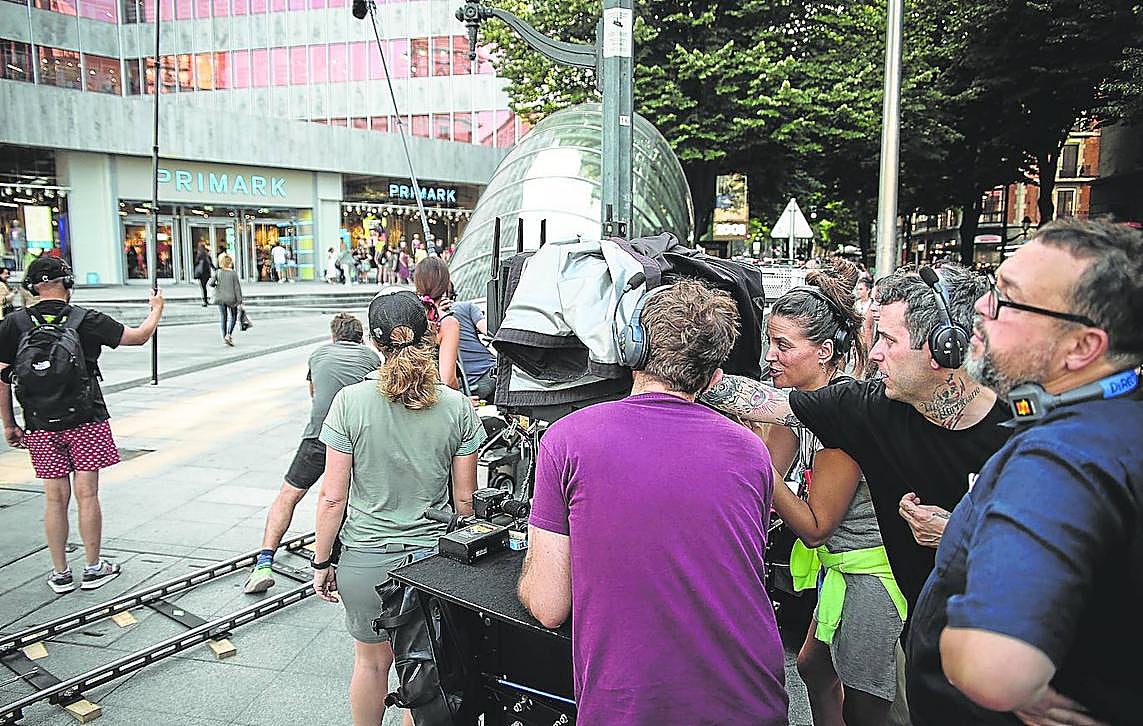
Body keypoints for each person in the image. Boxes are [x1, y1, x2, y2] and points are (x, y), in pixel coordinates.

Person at [701, 262, 1012, 720]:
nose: (874, 353)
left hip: (1008, 644)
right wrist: (684, 368)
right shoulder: (870, 407)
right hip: (928, 631)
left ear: (944, 348)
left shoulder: (1023, 426)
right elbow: (770, 402)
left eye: (888, 339)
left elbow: (1077, 551)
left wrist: (957, 532)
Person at [518, 279, 788, 725]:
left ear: (631, 349)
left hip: (633, 706)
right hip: (751, 702)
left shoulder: (567, 440)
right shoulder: (751, 451)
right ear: (714, 378)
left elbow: (549, 607)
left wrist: (529, 575)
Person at [907, 219, 1143, 726]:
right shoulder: (1117, 423)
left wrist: (1007, 684)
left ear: (1082, 347)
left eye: (1008, 300)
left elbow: (995, 670)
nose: (981, 307)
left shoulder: (1062, 455)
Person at [310, 290, 485, 726]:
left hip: (365, 560)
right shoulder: (456, 406)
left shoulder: (349, 402)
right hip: (430, 566)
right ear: (429, 336)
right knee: (423, 670)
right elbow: (466, 501)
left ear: (374, 341)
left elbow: (332, 497)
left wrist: (322, 561)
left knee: (370, 665)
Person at [763, 268, 905, 726]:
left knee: (866, 705)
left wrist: (751, 460)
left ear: (824, 352)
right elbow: (769, 472)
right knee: (813, 667)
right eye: (770, 342)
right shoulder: (796, 405)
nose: (770, 356)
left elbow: (815, 527)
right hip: (839, 568)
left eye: (783, 345)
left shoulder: (841, 418)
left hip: (872, 575)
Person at [0, 256, 164, 593]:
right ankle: (93, 567)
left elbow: (2, 378)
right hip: (86, 420)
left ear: (33, 287)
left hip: (39, 423)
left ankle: (60, 573)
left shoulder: (14, 323)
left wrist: (9, 423)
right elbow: (138, 337)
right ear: (68, 283)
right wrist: (156, 310)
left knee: (53, 499)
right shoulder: (85, 319)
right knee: (87, 495)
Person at [244, 313, 381, 593]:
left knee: (288, 495)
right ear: (361, 338)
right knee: (345, 498)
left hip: (317, 435)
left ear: (333, 336)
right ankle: (335, 558)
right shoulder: (371, 358)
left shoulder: (318, 354)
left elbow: (314, 393)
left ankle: (264, 563)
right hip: (355, 439)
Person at [412, 257, 460, 390]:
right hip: (431, 395)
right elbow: (448, 380)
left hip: (399, 392)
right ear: (446, 284)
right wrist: (462, 398)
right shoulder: (447, 323)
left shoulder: (407, 313)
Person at [450, 299, 496, 400]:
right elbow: (490, 331)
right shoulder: (466, 306)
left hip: (463, 388)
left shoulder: (428, 319)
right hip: (489, 373)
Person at [213, 255, 242, 346]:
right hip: (231, 298)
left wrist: (217, 284)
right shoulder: (233, 273)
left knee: (223, 317)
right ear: (230, 262)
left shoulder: (218, 272)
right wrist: (240, 301)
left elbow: (211, 283)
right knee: (233, 316)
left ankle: (224, 336)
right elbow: (237, 288)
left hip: (221, 298)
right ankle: (228, 334)